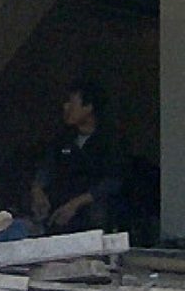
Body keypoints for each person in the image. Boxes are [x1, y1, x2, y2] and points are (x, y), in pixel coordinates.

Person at [31, 80, 123, 233]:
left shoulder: (110, 141)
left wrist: (75, 204)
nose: (65, 107)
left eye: (72, 103)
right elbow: (47, 167)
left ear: (88, 107)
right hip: (59, 217)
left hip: (93, 219)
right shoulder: (62, 138)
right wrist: (37, 190)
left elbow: (113, 182)